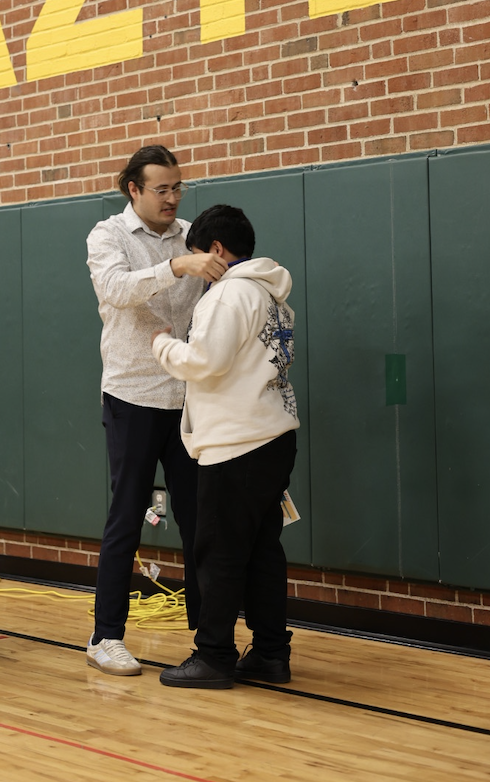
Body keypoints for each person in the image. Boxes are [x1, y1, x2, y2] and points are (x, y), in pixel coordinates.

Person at [85, 146, 228, 676]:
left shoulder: (194, 233)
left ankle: (209, 644)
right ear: (134, 190)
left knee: (200, 522)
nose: (172, 198)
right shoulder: (108, 236)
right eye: (162, 189)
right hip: (133, 396)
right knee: (126, 518)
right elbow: (115, 289)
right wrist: (176, 266)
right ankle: (105, 637)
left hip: (189, 398)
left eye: (177, 188)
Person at [151, 204, 300, 689]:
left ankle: (214, 656)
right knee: (262, 551)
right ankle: (271, 653)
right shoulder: (272, 294)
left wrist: (162, 344)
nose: (199, 271)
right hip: (273, 437)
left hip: (236, 444)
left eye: (199, 257)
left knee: (219, 553)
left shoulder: (229, 294)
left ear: (216, 249)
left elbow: (204, 362)